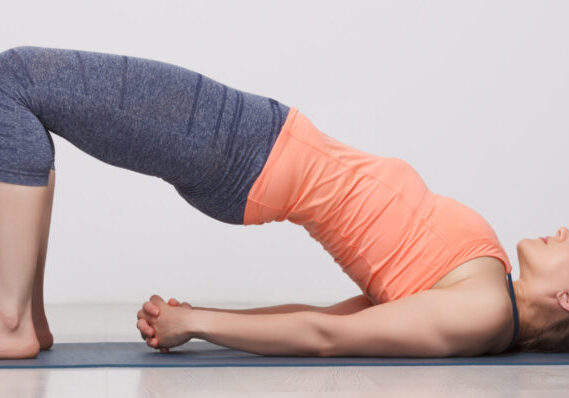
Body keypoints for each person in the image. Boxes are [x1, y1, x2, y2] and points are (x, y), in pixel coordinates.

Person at [0, 46, 567, 359]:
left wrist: (193, 322)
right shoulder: (486, 277)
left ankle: (12, 320)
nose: (564, 231)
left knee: (15, 80)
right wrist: (199, 322)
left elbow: (329, 337)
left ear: (566, 299)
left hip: (240, 151)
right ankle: (31, 320)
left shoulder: (483, 312)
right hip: (255, 138)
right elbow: (328, 317)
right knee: (21, 87)